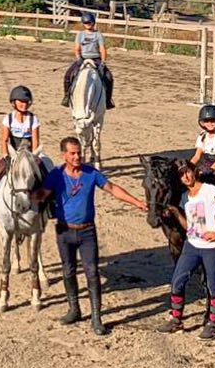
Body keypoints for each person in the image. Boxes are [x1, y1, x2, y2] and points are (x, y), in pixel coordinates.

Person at [33, 136, 148, 336]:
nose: (78, 156)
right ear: (64, 155)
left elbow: (112, 189)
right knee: (68, 271)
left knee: (92, 272)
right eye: (73, 153)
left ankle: (96, 317)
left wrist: (136, 201)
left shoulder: (91, 173)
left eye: (79, 152)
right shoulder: (55, 175)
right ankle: (74, 309)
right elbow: (40, 195)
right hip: (64, 231)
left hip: (87, 231)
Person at [157, 160, 215, 340]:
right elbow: (191, 227)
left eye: (188, 172)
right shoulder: (185, 197)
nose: (185, 177)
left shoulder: (210, 190)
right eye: (181, 174)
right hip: (191, 246)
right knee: (177, 281)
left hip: (212, 249)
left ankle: (212, 325)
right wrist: (177, 214)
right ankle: (176, 320)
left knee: (213, 286)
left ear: (194, 172)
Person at [0, 85, 40, 216]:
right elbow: (4, 140)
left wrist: (34, 157)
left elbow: (35, 141)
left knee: (45, 173)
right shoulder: (9, 119)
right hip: (13, 153)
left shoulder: (33, 119)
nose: (24, 104)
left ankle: (50, 203)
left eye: (26, 102)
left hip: (29, 155)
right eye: (21, 101)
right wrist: (6, 155)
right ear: (14, 102)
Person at [61, 13, 116, 110]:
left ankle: (108, 100)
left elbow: (102, 49)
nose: (87, 24)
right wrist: (78, 58)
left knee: (109, 77)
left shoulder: (98, 35)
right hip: (83, 58)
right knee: (68, 75)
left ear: (93, 23)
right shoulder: (80, 35)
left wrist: (103, 62)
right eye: (85, 23)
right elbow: (77, 48)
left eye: (89, 22)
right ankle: (67, 96)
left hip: (96, 59)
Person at [189, 104, 215, 188]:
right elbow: (197, 156)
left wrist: (211, 170)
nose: (209, 123)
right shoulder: (202, 136)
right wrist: (188, 166)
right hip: (205, 164)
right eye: (206, 121)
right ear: (202, 123)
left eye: (212, 121)